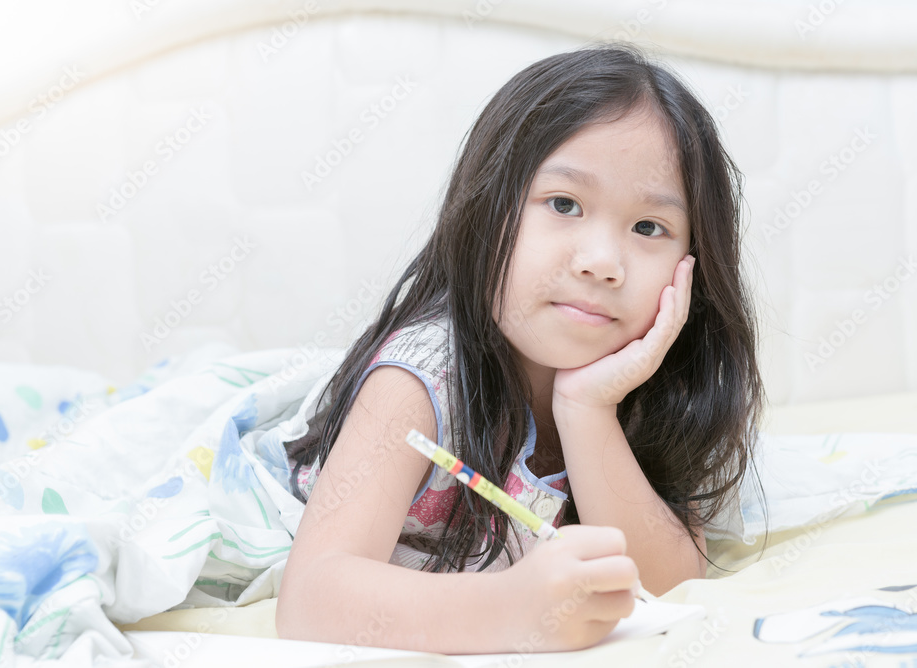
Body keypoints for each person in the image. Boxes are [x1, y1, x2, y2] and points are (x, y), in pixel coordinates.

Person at [275, 43, 764, 654]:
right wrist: (509, 609)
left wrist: (588, 412)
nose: (602, 263)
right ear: (485, 212)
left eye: (648, 228)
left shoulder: (658, 382)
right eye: (564, 204)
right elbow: (309, 598)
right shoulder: (420, 379)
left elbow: (667, 585)